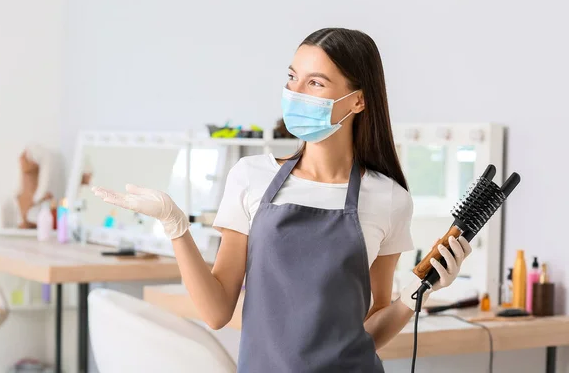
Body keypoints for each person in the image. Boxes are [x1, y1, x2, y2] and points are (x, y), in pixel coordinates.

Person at [92, 27, 472, 372]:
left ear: (358, 101)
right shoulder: (250, 177)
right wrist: (176, 226)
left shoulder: (388, 199)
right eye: (292, 78)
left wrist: (415, 293)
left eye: (316, 84)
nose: (295, 93)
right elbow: (216, 310)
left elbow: (366, 330)